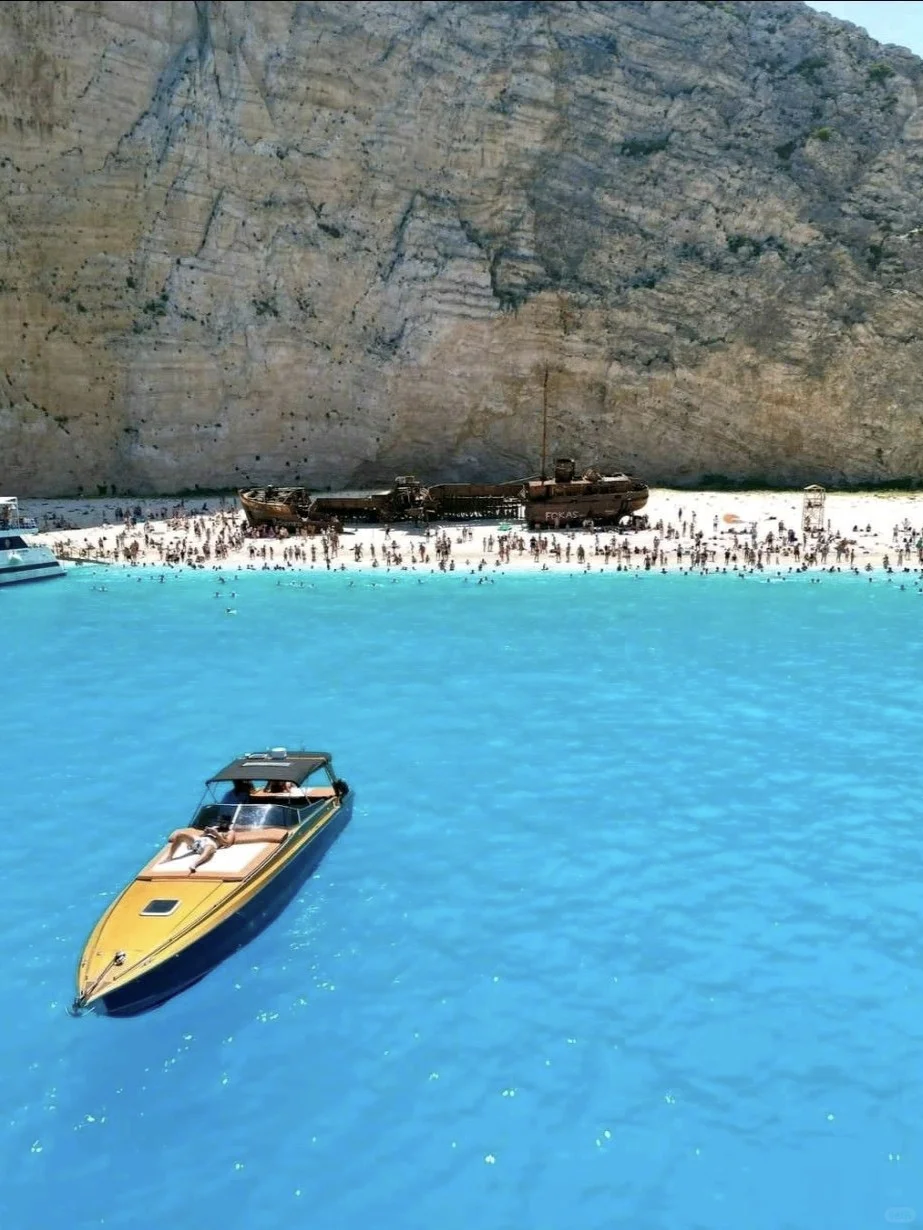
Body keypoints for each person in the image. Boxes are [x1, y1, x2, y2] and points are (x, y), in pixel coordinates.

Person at [166, 818, 234, 873]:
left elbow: (228, 844)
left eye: (224, 822)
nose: (222, 823)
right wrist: (205, 833)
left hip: (211, 843)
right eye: (221, 822)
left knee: (209, 847)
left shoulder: (230, 832)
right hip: (199, 841)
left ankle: (194, 864)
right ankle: (169, 857)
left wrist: (216, 834)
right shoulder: (215, 827)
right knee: (180, 835)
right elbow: (200, 836)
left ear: (228, 824)